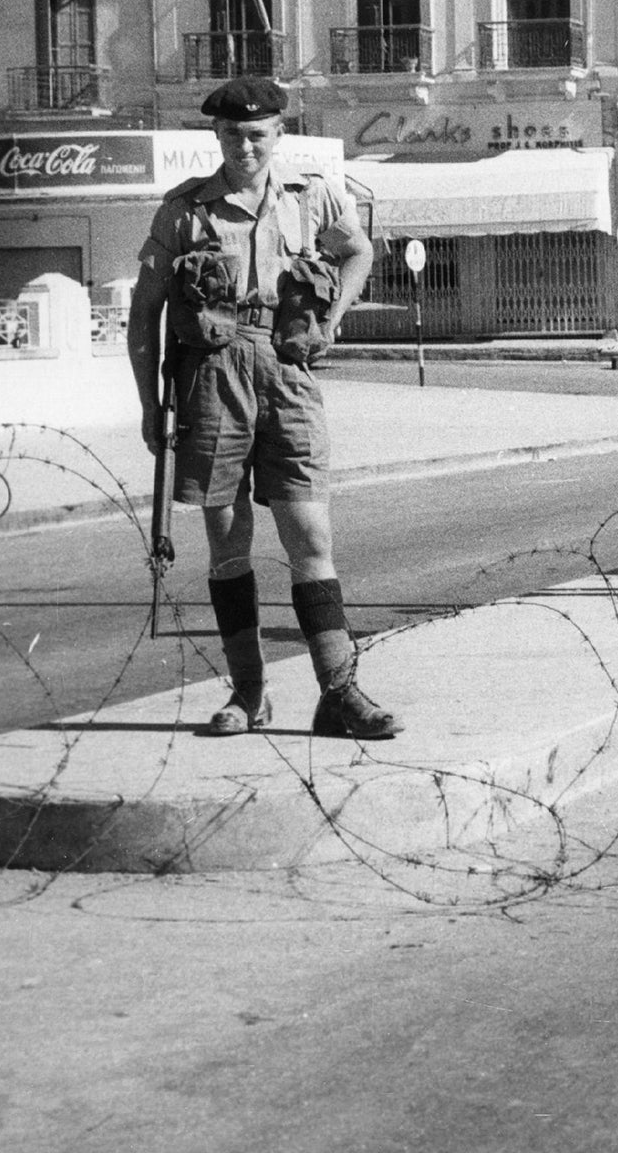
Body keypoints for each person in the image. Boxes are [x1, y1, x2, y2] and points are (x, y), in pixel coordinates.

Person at [126, 75, 397, 740]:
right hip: (210, 375)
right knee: (228, 539)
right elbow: (145, 313)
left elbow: (358, 250)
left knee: (310, 532)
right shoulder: (185, 208)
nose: (243, 146)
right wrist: (147, 408)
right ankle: (249, 695)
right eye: (230, 134)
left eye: (256, 134)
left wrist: (331, 318)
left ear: (278, 134)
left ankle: (339, 691)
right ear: (215, 136)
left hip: (287, 367)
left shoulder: (313, 195)